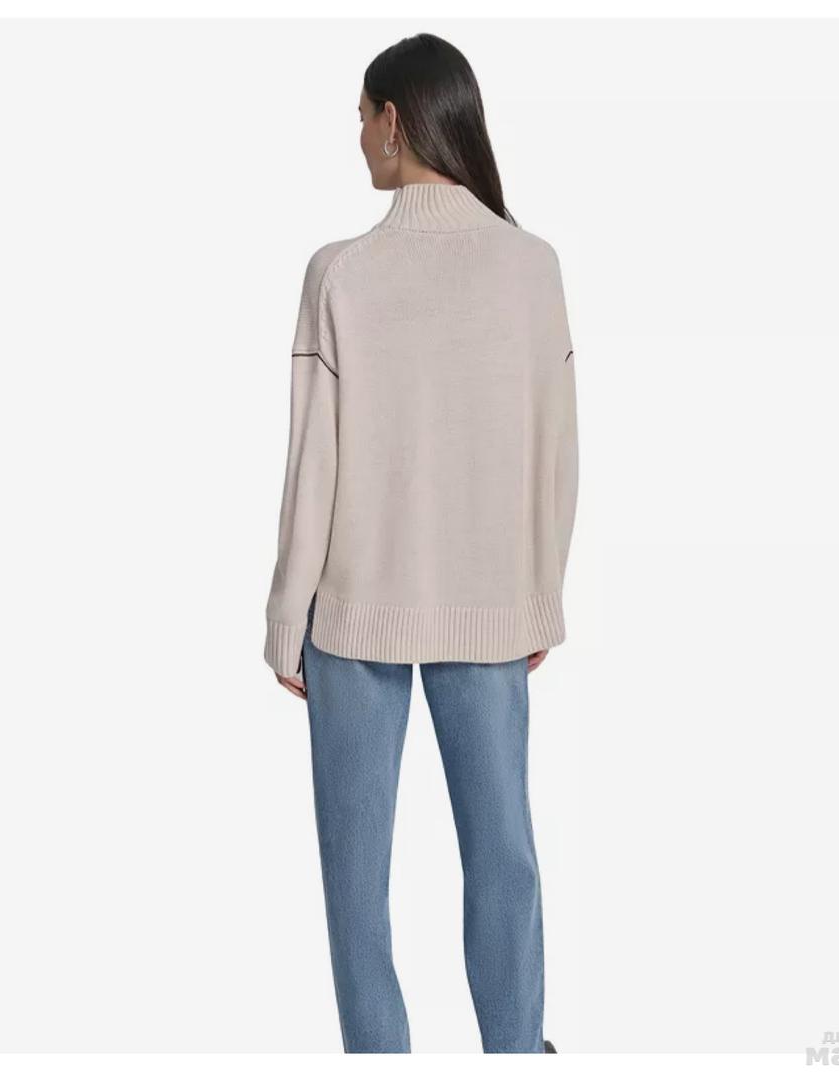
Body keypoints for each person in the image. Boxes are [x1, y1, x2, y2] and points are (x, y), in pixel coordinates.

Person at [263, 32, 577, 1054]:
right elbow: (556, 452)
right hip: (490, 607)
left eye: (361, 116)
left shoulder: (340, 273)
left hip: (351, 612)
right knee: (504, 856)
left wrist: (285, 619)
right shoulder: (532, 267)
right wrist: (540, 594)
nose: (357, 137)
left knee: (354, 880)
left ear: (394, 120)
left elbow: (312, 465)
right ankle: (517, 1051)